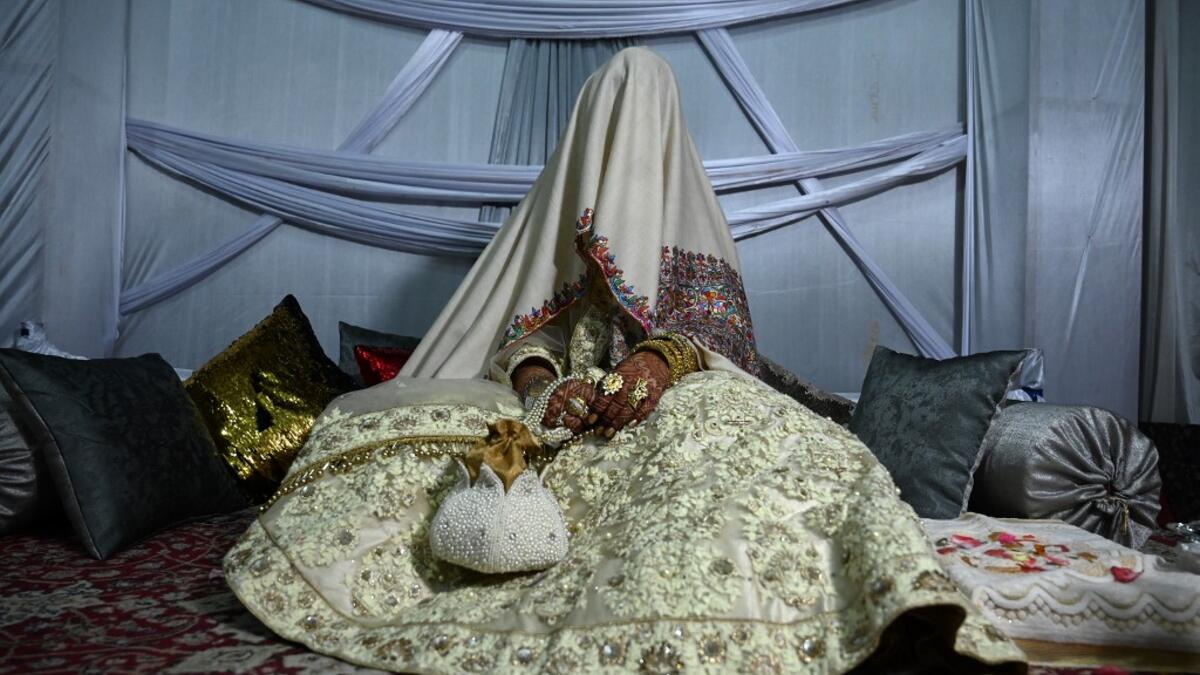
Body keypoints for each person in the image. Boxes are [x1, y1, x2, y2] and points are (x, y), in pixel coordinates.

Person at [225, 48, 1024, 674]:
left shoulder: (697, 223)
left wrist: (652, 365)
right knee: (422, 455)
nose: (628, 139)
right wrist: (549, 384)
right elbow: (525, 336)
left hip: (681, 396)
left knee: (774, 454)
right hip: (572, 406)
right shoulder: (565, 229)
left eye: (642, 117)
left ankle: (872, 607)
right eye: (613, 118)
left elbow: (726, 344)